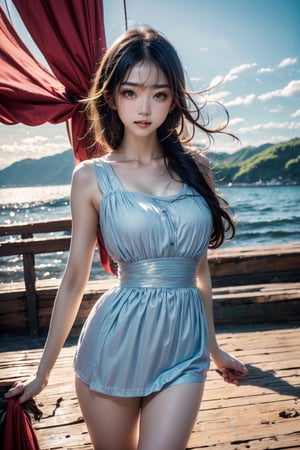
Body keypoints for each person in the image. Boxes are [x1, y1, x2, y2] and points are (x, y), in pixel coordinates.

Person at [6, 26, 248, 450]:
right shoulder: (90, 177)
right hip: (114, 343)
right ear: (112, 96)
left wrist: (214, 348)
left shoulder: (196, 169)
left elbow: (200, 271)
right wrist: (42, 373)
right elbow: (74, 277)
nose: (144, 107)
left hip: (184, 349)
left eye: (159, 94)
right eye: (131, 92)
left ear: (173, 100)